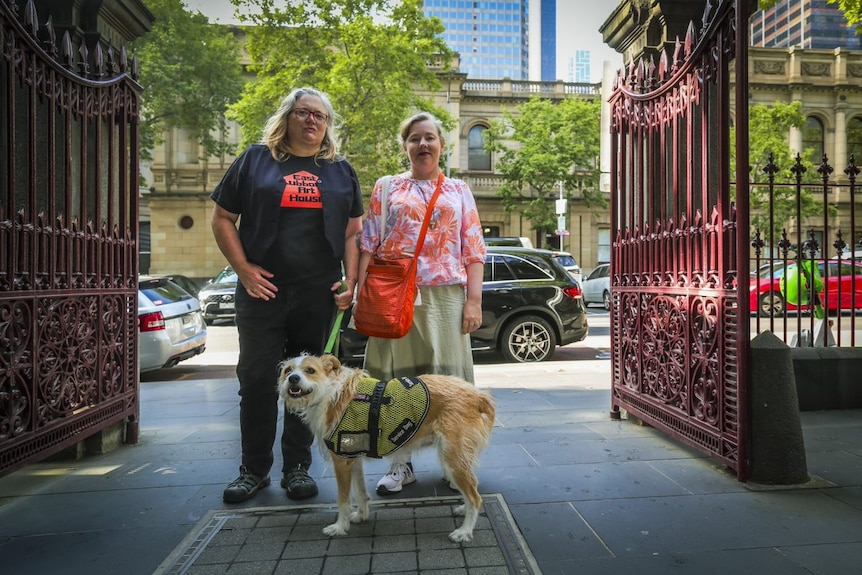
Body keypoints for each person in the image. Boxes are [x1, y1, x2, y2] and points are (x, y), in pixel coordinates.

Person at [210, 87, 363, 503]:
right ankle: (253, 470)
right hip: (262, 292)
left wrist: (351, 281)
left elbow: (353, 232)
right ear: (288, 117)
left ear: (327, 124)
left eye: (320, 115)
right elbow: (223, 217)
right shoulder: (256, 160)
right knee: (257, 380)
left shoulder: (340, 170)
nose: (311, 120)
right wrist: (243, 270)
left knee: (308, 383)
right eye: (303, 113)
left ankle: (297, 469)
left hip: (319, 293)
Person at [357, 111, 486, 495]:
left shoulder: (458, 191)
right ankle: (400, 464)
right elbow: (368, 242)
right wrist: (360, 292)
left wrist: (474, 301)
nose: (423, 144)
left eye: (430, 137)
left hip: (446, 295)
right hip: (393, 295)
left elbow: (474, 248)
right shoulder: (386, 187)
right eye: (415, 138)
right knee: (396, 382)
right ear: (406, 146)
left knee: (448, 383)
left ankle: (455, 461)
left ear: (442, 146)